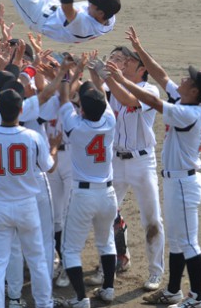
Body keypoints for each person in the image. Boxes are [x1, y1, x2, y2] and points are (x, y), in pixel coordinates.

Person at [106, 26, 201, 308]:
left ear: (194, 89)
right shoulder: (184, 99)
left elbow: (152, 100)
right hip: (175, 180)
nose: (181, 78)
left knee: (189, 243)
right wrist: (140, 48)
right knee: (179, 243)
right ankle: (173, 291)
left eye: (188, 78)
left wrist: (120, 78)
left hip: (184, 183)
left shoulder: (186, 112)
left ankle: (198, 298)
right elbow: (160, 74)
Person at [0, 88, 57, 308]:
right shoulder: (32, 136)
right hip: (27, 205)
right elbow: (49, 168)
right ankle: (45, 304)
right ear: (21, 110)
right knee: (36, 259)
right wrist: (54, 148)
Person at [87, 46, 165, 291]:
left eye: (125, 60)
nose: (120, 63)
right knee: (106, 216)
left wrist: (109, 76)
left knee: (152, 219)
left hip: (142, 162)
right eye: (117, 59)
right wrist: (94, 75)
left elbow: (128, 100)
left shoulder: (149, 90)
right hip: (115, 161)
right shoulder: (112, 87)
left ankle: (155, 272)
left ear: (142, 69)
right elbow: (101, 97)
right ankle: (106, 267)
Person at [59, 80, 118, 308]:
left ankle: (81, 298)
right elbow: (103, 99)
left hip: (83, 195)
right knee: (106, 242)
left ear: (81, 108)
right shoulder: (110, 121)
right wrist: (95, 77)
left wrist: (66, 78)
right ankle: (109, 288)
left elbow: (64, 99)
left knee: (71, 249)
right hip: (108, 194)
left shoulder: (76, 126)